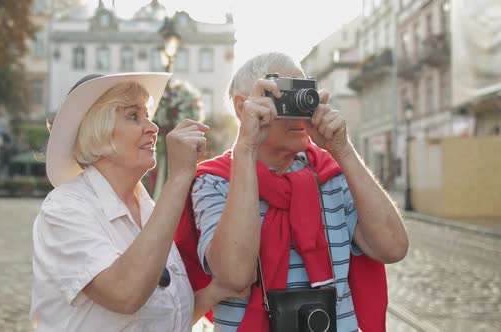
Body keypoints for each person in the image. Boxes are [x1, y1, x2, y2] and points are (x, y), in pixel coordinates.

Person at [175, 53, 409, 332]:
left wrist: (343, 151)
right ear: (242, 107)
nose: (298, 108)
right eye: (283, 95)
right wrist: (247, 149)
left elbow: (393, 246)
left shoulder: (332, 174)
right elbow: (234, 274)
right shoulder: (215, 182)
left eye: (303, 94)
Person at [30, 72, 240, 331]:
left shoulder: (149, 210)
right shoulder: (64, 208)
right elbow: (125, 294)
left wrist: (218, 290)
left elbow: (167, 317)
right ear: (98, 131)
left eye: (148, 115)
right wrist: (178, 179)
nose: (153, 128)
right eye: (133, 116)